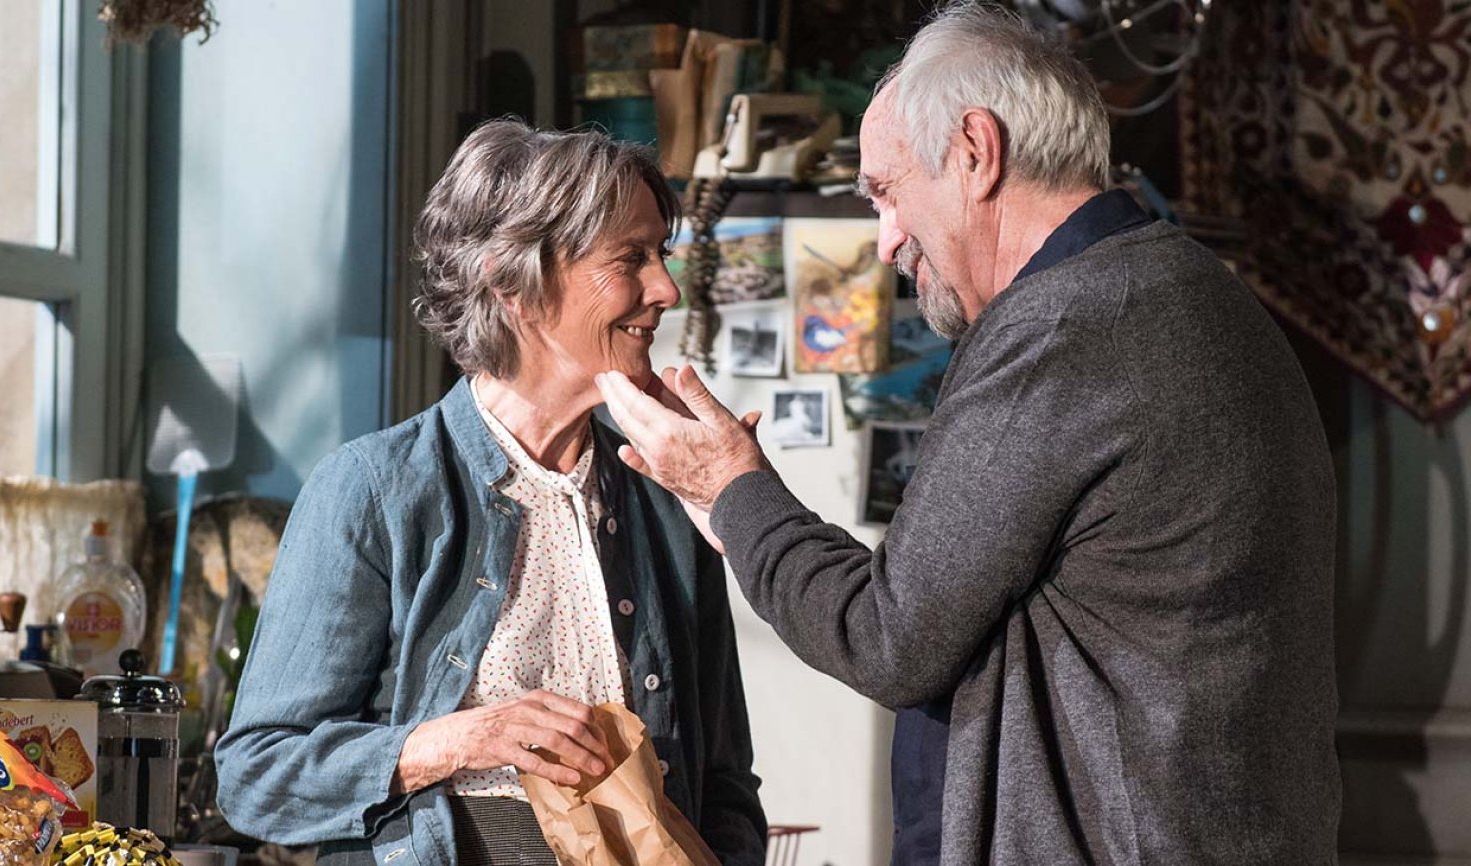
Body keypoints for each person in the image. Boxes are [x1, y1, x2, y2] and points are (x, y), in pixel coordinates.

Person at [595, 3, 1341, 864]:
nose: (886, 243)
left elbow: (886, 635)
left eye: (886, 192)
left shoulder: (1067, 328)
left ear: (977, 152)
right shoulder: (1187, 289)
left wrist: (729, 488)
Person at [216, 119, 767, 866]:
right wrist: (458, 739)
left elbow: (725, 782)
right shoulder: (375, 488)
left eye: (660, 256)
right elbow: (258, 778)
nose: (666, 289)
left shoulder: (663, 495)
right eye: (630, 258)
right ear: (517, 286)